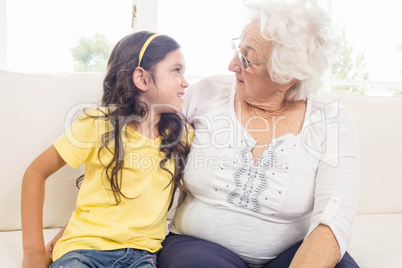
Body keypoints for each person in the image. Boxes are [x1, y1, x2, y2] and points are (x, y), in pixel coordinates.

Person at [157, 0, 360, 267]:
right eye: (237, 50)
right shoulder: (208, 93)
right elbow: (144, 136)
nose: (232, 65)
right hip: (200, 247)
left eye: (246, 59)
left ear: (288, 76)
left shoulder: (332, 120)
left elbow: (333, 218)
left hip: (291, 252)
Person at [21, 31, 192, 268]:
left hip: (142, 256)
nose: (185, 82)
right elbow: (35, 173)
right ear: (141, 79)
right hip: (84, 251)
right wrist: (33, 252)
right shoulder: (97, 125)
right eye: (176, 70)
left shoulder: (181, 136)